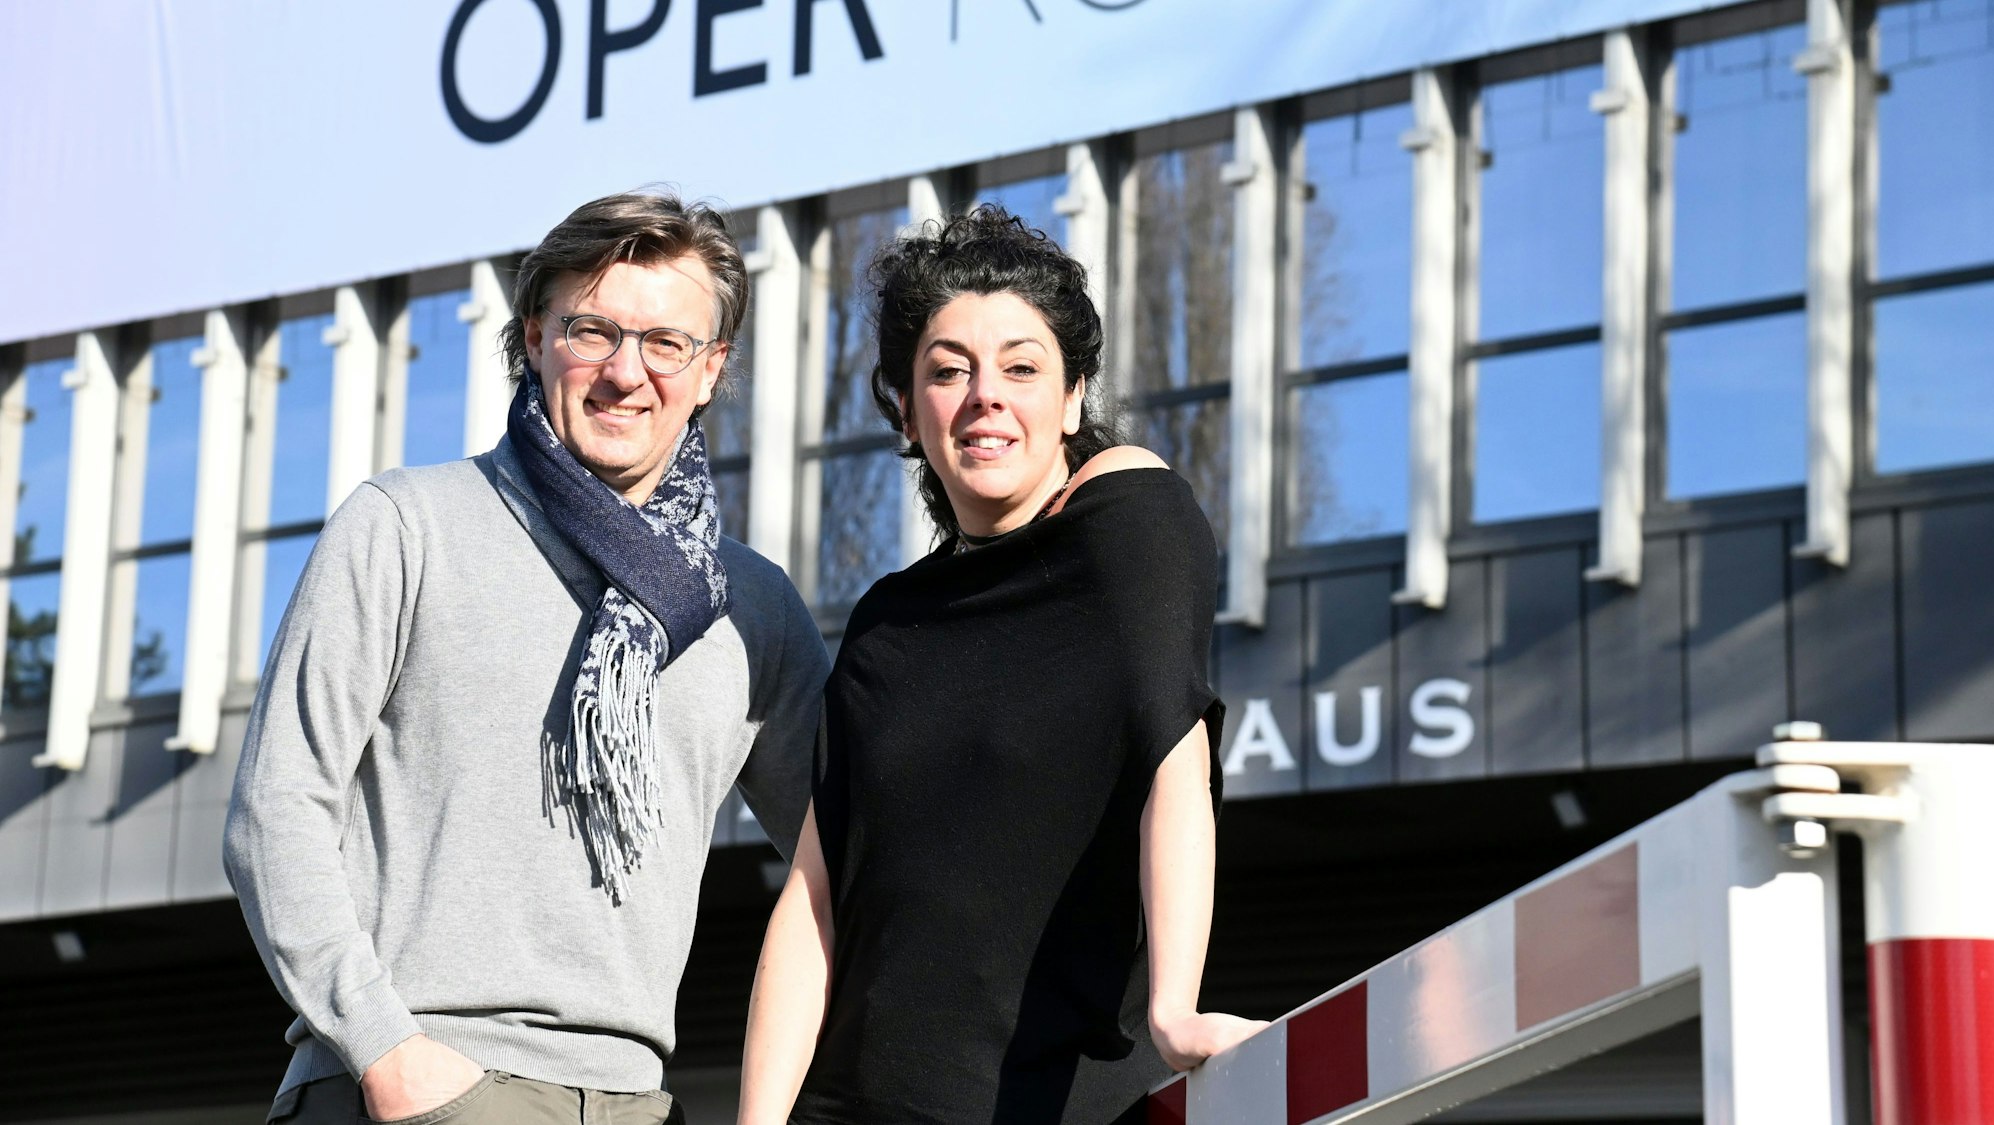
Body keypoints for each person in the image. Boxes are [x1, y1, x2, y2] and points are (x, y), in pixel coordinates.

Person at [223, 190, 829, 1125]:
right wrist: (387, 1053)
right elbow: (276, 810)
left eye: (666, 344)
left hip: (635, 1102)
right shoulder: (405, 526)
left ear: (711, 371)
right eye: (593, 331)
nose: (627, 372)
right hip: (412, 1083)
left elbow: (857, 866)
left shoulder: (754, 611)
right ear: (536, 334)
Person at [736, 206, 1266, 1125]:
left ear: (1071, 401)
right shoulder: (882, 626)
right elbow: (817, 902)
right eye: (948, 370)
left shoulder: (1130, 530)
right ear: (905, 407)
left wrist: (1174, 1010)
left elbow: (1173, 754)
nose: (986, 394)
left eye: (1023, 367)